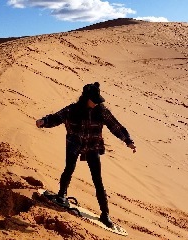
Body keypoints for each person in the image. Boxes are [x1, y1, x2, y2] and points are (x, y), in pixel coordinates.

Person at [36, 82, 136, 228]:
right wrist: (43, 122)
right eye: (94, 100)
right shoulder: (72, 110)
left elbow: (116, 126)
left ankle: (105, 214)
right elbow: (56, 118)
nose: (96, 103)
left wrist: (128, 140)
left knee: (97, 180)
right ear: (86, 98)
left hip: (92, 147)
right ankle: (61, 195)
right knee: (69, 168)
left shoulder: (101, 111)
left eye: (98, 100)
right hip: (74, 144)